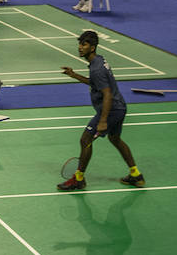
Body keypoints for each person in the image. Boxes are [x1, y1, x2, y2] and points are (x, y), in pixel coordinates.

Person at [58, 30, 143, 190]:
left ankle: (78, 179)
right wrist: (74, 75)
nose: (80, 47)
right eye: (80, 43)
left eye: (84, 44)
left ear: (93, 47)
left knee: (85, 140)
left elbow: (107, 94)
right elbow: (95, 83)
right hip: (119, 107)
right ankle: (136, 174)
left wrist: (103, 120)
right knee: (115, 139)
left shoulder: (97, 68)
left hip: (111, 110)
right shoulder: (98, 61)